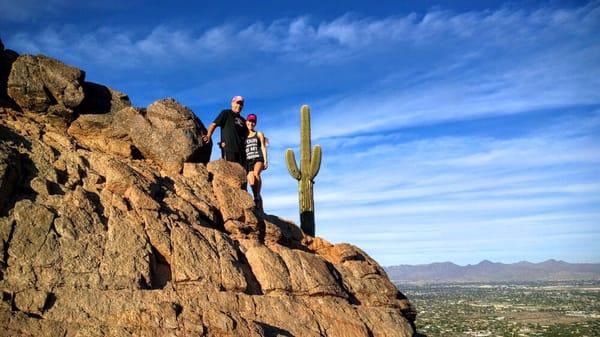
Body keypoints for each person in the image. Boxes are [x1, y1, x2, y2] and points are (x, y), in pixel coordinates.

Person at [203, 96, 247, 166]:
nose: (239, 106)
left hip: (241, 152)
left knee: (242, 174)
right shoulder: (226, 113)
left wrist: (260, 137)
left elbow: (249, 133)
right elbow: (214, 125)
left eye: (241, 104)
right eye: (237, 103)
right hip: (229, 149)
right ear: (232, 103)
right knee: (231, 172)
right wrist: (208, 135)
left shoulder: (243, 120)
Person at [244, 113, 268, 213]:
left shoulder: (259, 134)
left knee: (256, 173)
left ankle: (257, 195)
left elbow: (263, 146)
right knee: (252, 183)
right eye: (249, 121)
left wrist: (266, 160)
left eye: (253, 121)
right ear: (246, 122)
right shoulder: (242, 136)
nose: (251, 123)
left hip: (258, 158)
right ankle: (257, 199)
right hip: (248, 160)